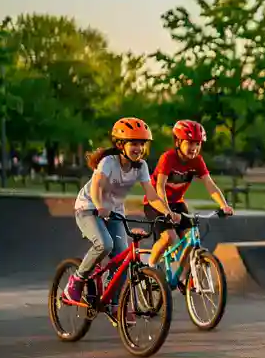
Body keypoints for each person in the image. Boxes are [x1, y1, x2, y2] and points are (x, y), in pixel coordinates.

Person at [64, 118, 180, 308]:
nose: (139, 148)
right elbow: (96, 187)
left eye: (142, 144)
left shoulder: (141, 166)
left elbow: (151, 195)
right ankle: (76, 280)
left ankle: (114, 304)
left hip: (114, 212)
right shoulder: (108, 162)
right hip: (89, 208)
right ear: (120, 144)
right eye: (134, 143)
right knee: (104, 245)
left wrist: (168, 212)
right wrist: (101, 206)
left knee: (123, 259)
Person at [144, 120, 234, 275]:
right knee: (169, 238)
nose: (194, 148)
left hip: (177, 204)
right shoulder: (168, 158)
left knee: (190, 240)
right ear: (178, 142)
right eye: (190, 143)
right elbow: (160, 187)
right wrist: (167, 212)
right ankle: (150, 269)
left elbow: (210, 185)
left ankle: (182, 275)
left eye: (198, 144)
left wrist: (223, 205)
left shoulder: (197, 161)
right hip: (157, 203)